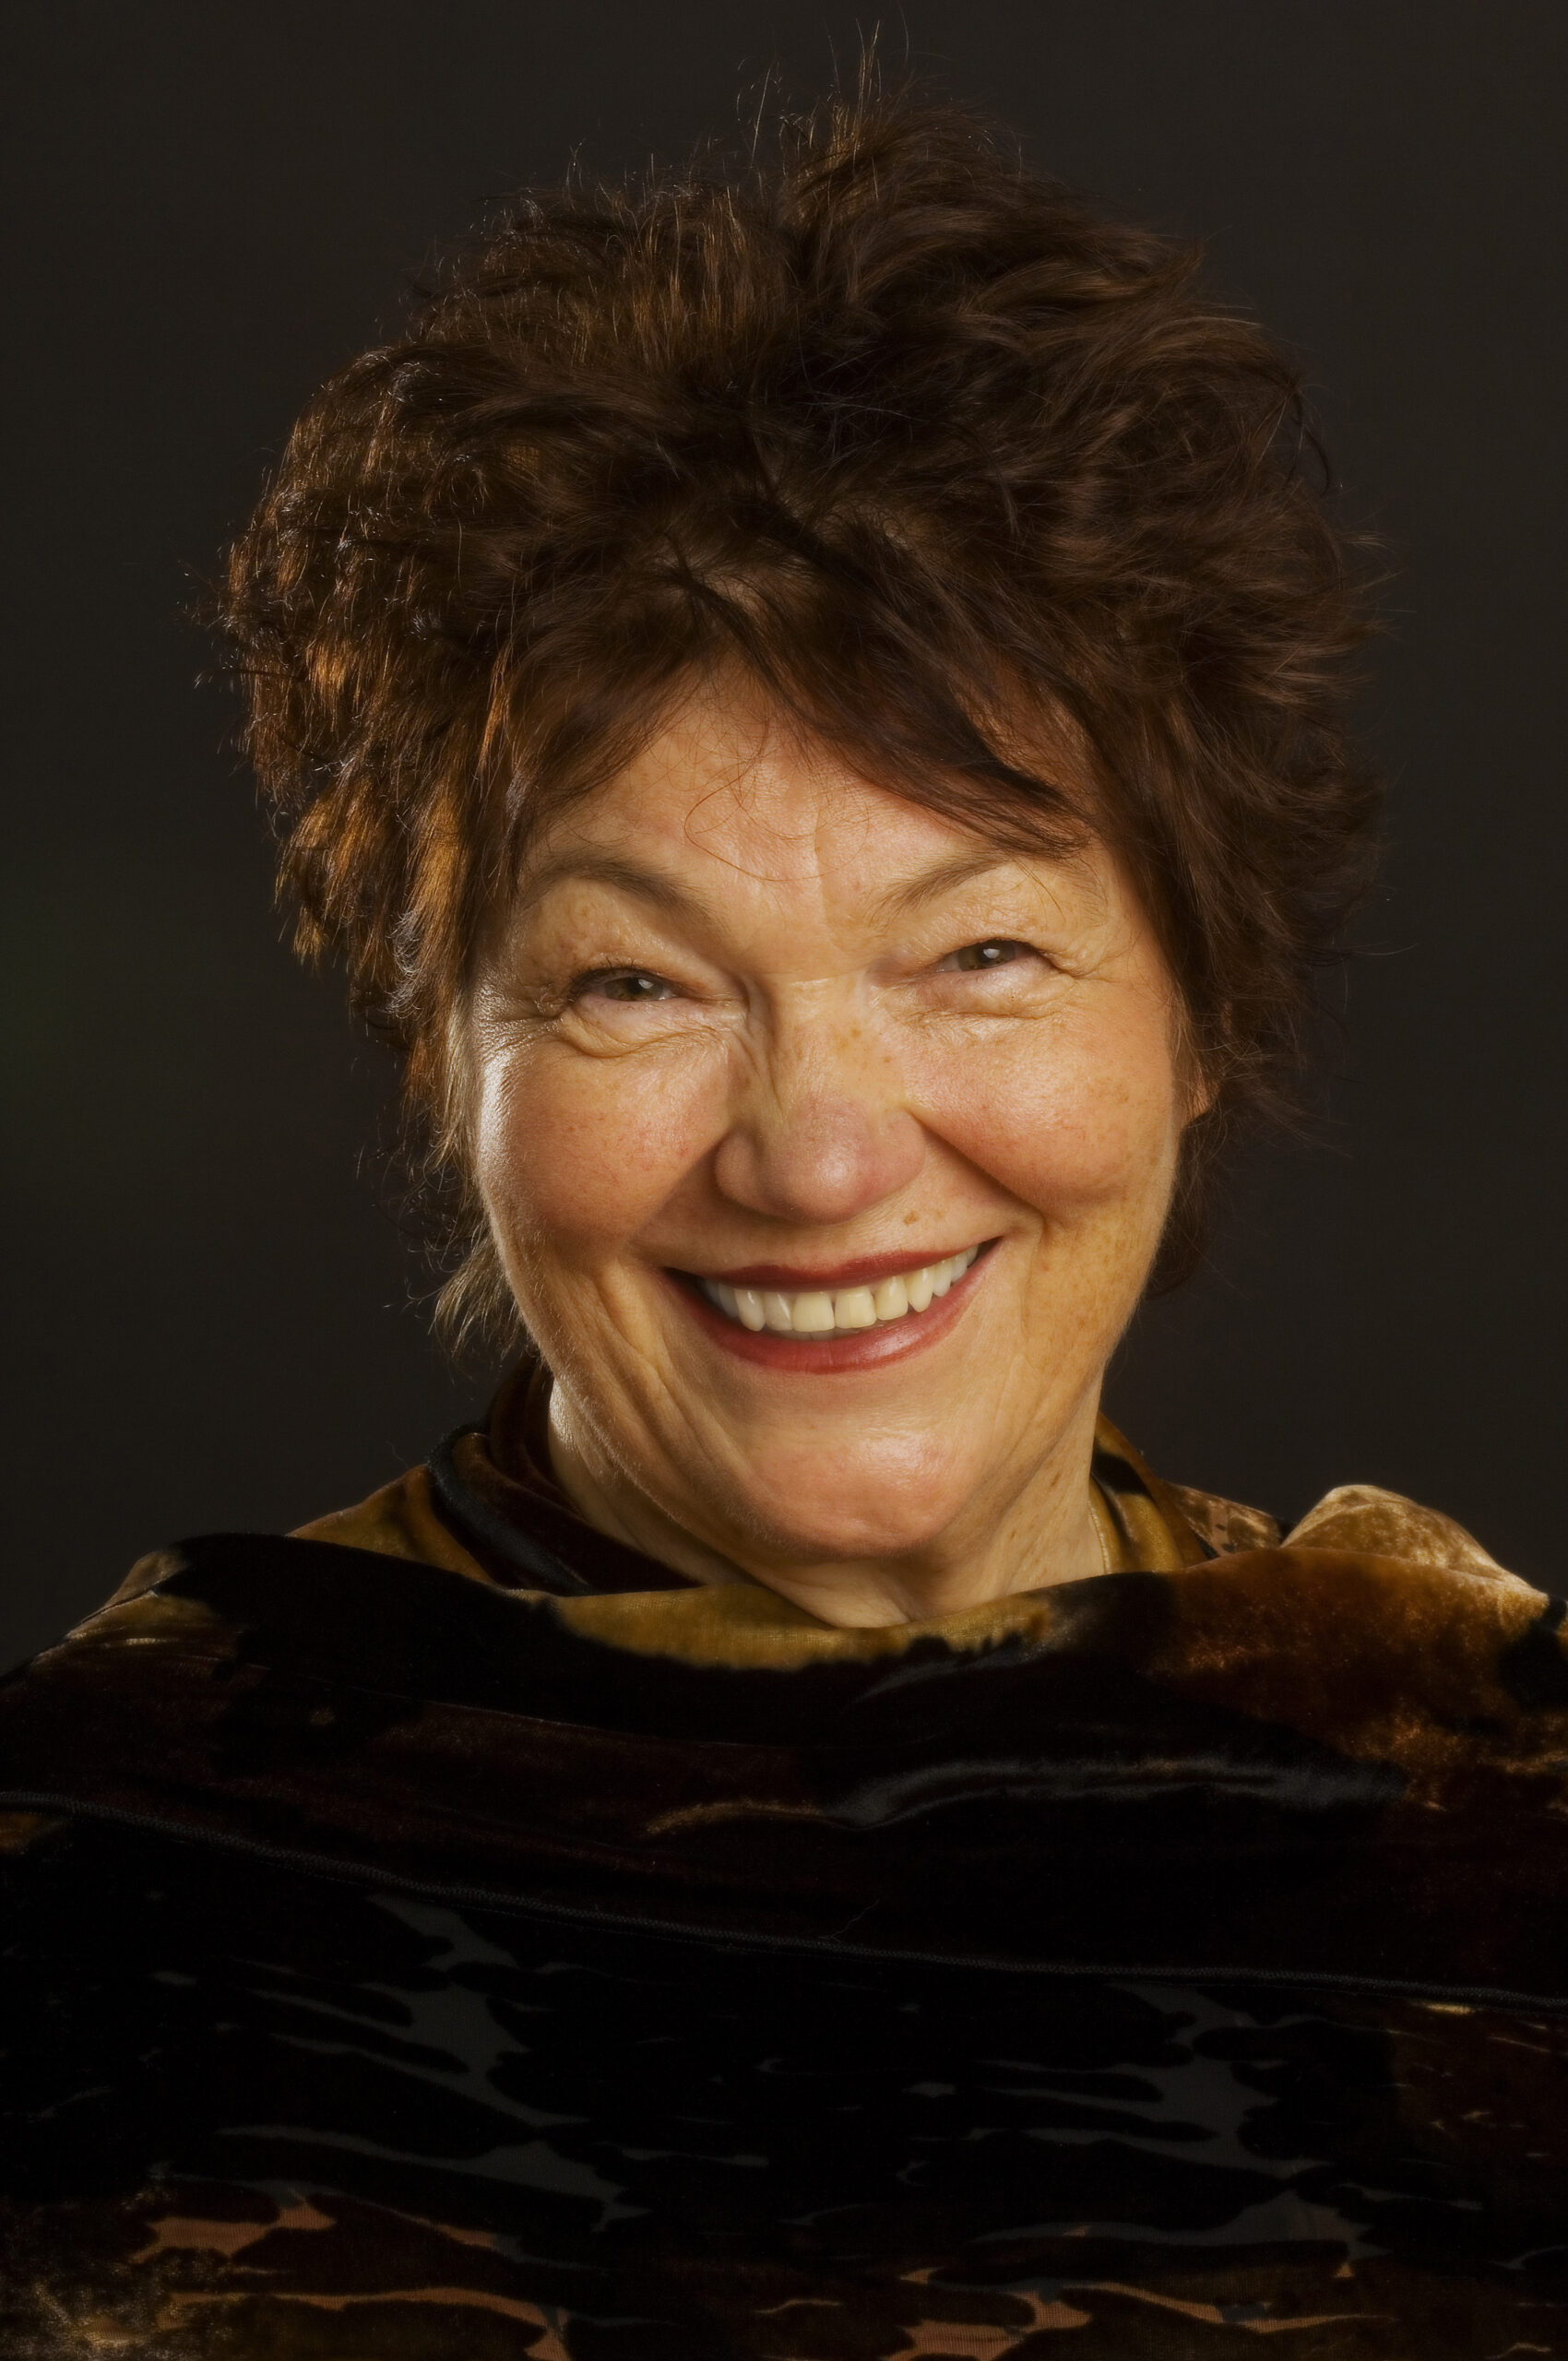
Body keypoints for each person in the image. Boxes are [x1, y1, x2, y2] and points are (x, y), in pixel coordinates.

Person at [4, 88, 1566, 2360]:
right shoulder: (94, 1875)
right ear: (456, 1069)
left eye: (982, 955)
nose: (818, 1154)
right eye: (635, 981)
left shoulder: (1502, 1819)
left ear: (1203, 1016)